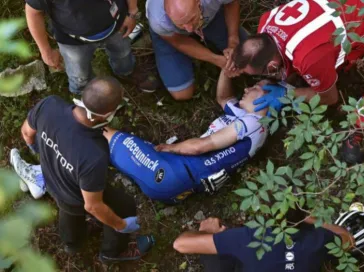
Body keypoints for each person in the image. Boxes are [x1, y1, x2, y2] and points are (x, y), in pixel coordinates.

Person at [12, 71, 269, 204]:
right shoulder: (247, 116)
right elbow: (223, 98)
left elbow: (202, 146)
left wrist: (173, 149)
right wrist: (226, 68)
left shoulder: (252, 122)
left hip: (171, 173)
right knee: (101, 145)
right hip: (182, 184)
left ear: (267, 101)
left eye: (255, 88)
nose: (248, 88)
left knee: (99, 133)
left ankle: (42, 176)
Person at [229, 0, 364, 164]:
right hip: (339, 13)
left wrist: (286, 94)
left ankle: (361, 122)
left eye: (259, 75)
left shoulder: (308, 58)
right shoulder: (266, 22)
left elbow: (329, 98)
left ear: (271, 65)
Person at [15, 76, 154, 263]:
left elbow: (26, 133)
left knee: (69, 211)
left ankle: (73, 244)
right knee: (123, 205)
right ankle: (112, 253)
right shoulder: (94, 154)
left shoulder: (50, 105)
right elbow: (92, 205)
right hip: (75, 195)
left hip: (51, 178)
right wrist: (121, 225)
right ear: (107, 114)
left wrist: (44, 154)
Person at [173, 209, 364, 272]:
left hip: (242, 260)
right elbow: (346, 239)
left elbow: (180, 244)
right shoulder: (318, 245)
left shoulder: (248, 239)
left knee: (217, 252)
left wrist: (210, 233)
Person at [25, 0, 156, 94]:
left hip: (117, 25)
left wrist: (132, 12)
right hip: (73, 41)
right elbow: (33, 13)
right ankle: (85, 94)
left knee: (123, 53)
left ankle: (126, 72)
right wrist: (46, 51)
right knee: (79, 74)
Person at [146, 0, 247, 100]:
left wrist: (233, 40)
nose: (189, 29)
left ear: (199, 3)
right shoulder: (158, 19)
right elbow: (178, 41)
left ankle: (205, 20)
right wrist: (217, 60)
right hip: (173, 34)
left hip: (208, 18)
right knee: (182, 94)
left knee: (248, 57)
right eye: (181, 24)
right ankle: (164, 36)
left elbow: (232, 2)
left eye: (191, 19)